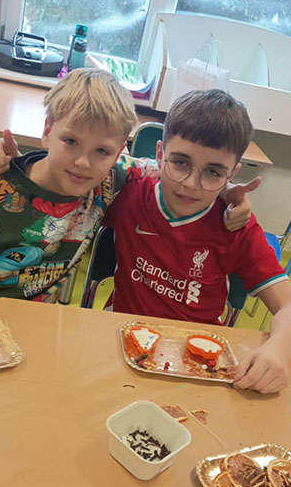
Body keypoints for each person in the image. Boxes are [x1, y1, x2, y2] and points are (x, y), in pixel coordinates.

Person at [0, 70, 250, 306]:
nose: (83, 163)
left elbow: (176, 170)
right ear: (47, 131)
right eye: (71, 141)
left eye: (101, 151)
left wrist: (226, 190)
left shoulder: (111, 180)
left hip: (36, 332)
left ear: (119, 152)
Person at [102, 89, 291, 394]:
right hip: (122, 347)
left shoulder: (236, 227)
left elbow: (287, 303)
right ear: (160, 154)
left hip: (196, 364)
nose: (191, 184)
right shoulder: (129, 195)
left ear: (232, 173)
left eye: (213, 172)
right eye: (180, 162)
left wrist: (279, 349)